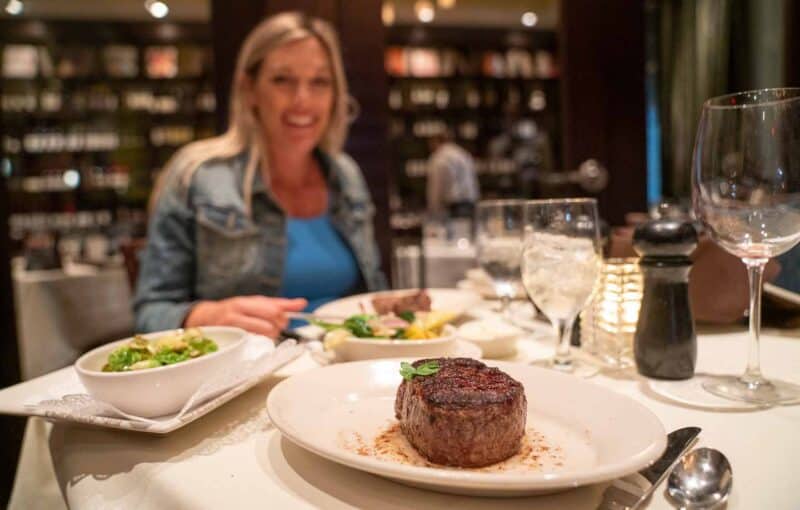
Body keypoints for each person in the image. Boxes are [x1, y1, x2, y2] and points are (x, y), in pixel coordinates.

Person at [133, 12, 387, 338]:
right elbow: (150, 313)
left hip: (344, 373)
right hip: (246, 376)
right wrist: (208, 315)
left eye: (320, 82)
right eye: (283, 80)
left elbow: (374, 294)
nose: (302, 100)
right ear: (249, 88)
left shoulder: (346, 174)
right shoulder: (196, 176)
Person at [426, 129, 480, 219]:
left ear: (435, 141)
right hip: (471, 203)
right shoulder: (463, 153)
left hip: (453, 207)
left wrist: (433, 209)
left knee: (455, 232)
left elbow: (436, 186)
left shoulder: (439, 157)